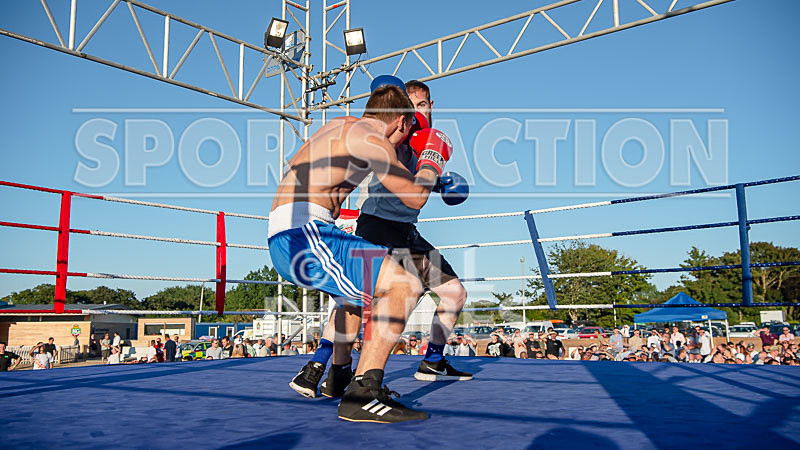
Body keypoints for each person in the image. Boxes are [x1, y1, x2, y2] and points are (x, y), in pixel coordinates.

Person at [270, 83, 450, 422]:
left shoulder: (338, 126)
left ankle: (338, 375)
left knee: (365, 291)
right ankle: (362, 395)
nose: (407, 138)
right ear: (401, 121)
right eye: (410, 129)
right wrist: (432, 159)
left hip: (293, 231)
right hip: (306, 234)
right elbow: (414, 198)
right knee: (405, 285)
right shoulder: (374, 140)